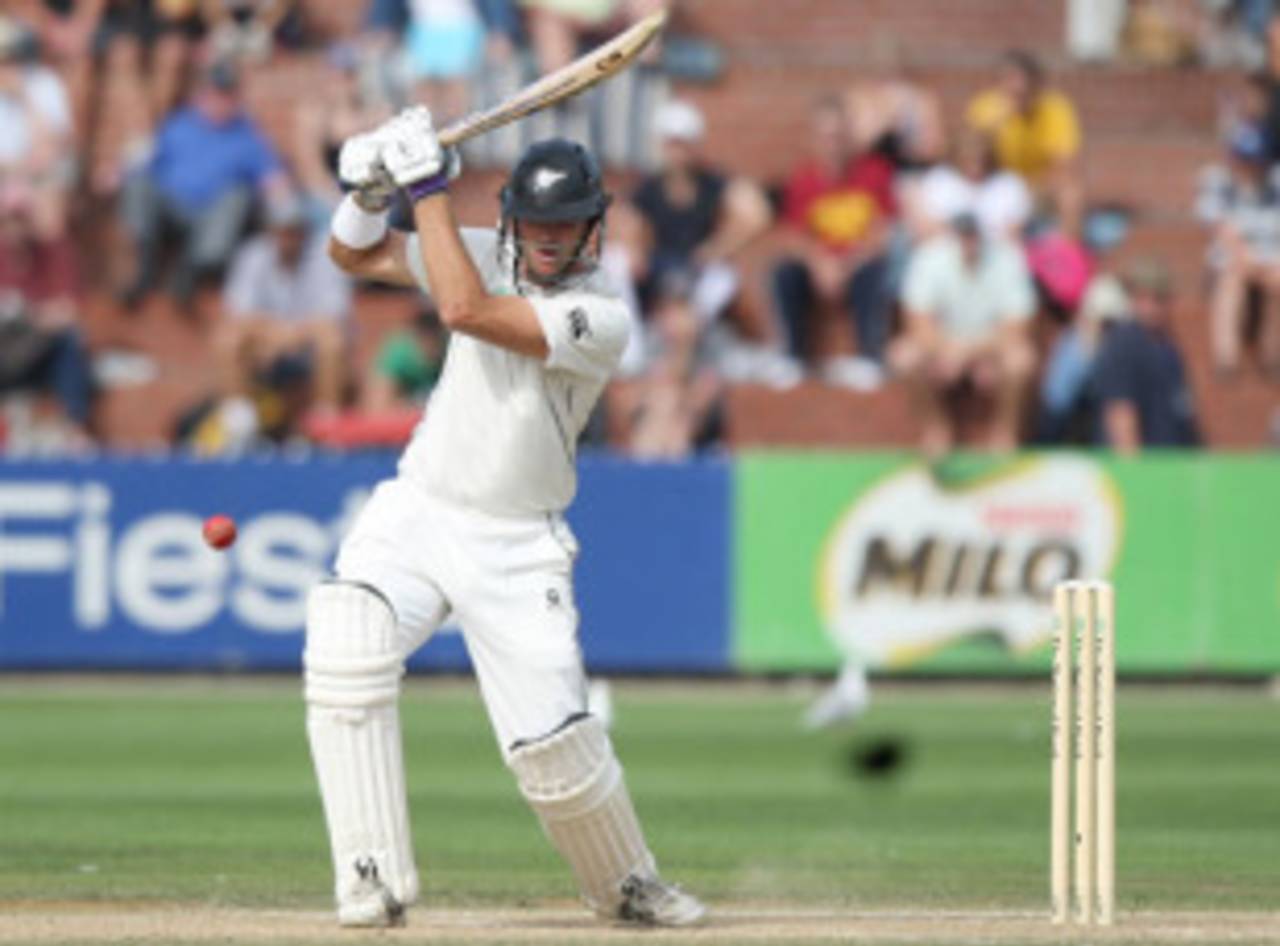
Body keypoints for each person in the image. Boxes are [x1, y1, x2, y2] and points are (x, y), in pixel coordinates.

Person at [310, 109, 706, 928]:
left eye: (568, 225)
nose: (551, 240)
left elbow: (463, 310)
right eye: (537, 224)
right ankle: (370, 878)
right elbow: (351, 254)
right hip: (420, 509)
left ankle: (626, 881)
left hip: (518, 544)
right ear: (515, 220)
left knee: (553, 751)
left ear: (593, 227)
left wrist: (425, 186)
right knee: (347, 635)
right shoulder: (486, 249)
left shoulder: (601, 315)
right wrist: (366, 192)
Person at [118, 59, 286, 308]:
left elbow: (273, 179)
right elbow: (144, 159)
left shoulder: (247, 135)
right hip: (171, 210)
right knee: (138, 183)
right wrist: (116, 173)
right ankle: (144, 266)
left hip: (212, 218)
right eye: (215, 93)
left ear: (236, 98)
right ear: (203, 94)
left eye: (226, 94)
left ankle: (191, 273)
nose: (219, 101)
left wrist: (285, 201)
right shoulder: (178, 124)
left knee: (238, 196)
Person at [771, 95, 898, 389]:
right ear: (814, 139)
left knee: (876, 273)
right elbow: (792, 235)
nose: (834, 143)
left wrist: (847, 265)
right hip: (820, 266)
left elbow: (884, 232)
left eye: (839, 135)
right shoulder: (803, 179)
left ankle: (869, 358)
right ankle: (792, 357)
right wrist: (819, 264)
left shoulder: (875, 173)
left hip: (860, 263)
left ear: (850, 136)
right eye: (826, 136)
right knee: (784, 272)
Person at [211, 193, 352, 452]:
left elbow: (333, 317)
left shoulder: (325, 256)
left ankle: (325, 427)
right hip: (266, 350)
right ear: (271, 231)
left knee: (331, 340)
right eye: (283, 231)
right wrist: (280, 336)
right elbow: (237, 315)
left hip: (307, 350)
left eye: (295, 231)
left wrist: (285, 337)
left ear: (305, 231)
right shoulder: (253, 255)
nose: (289, 238)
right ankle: (240, 427)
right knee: (228, 339)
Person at [889, 214, 1037, 455]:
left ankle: (1005, 435)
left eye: (973, 236)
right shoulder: (930, 258)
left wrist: (968, 354)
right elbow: (917, 324)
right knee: (904, 356)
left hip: (989, 350)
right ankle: (936, 430)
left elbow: (1018, 328)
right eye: (963, 236)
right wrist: (948, 351)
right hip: (947, 348)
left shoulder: (1007, 258)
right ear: (953, 238)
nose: (969, 243)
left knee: (1021, 360)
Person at [966, 50, 1084, 237]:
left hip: (1038, 187)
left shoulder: (1055, 109)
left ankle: (1068, 256)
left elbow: (1064, 164)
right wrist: (998, 123)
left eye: (1023, 81)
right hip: (997, 185)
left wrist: (1030, 192)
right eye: (1010, 80)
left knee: (1070, 192)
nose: (1018, 88)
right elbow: (970, 154)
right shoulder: (986, 108)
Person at [1195, 123, 1280, 377]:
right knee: (1231, 281)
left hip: (1270, 262)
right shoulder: (1216, 179)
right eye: (1245, 159)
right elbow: (1219, 228)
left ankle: (1272, 356)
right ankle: (1226, 359)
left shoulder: (1275, 182)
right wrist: (1246, 259)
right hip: (1232, 261)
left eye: (1255, 160)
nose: (1250, 167)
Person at [1093, 257, 1200, 452]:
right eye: (1142, 297)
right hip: (1145, 472)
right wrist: (1135, 473)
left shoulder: (1167, 346)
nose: (1150, 307)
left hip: (1172, 466)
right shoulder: (1124, 342)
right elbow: (1120, 413)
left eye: (1158, 298)